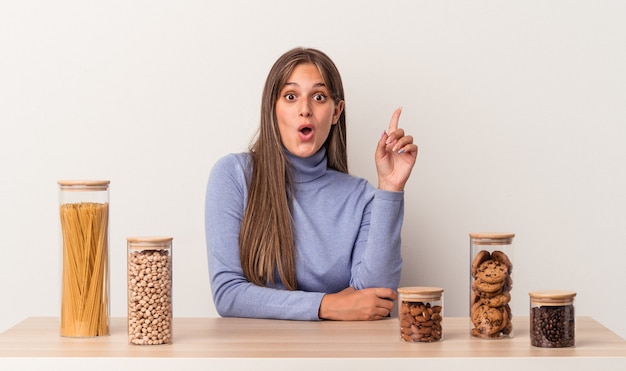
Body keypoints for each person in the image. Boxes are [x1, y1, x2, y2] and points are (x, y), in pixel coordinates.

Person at [205, 47, 417, 321]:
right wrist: (327, 305)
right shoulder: (233, 175)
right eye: (290, 96)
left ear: (336, 112)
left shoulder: (361, 196)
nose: (304, 110)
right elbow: (228, 295)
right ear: (272, 107)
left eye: (318, 97)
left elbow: (376, 299)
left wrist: (390, 188)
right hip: (257, 353)